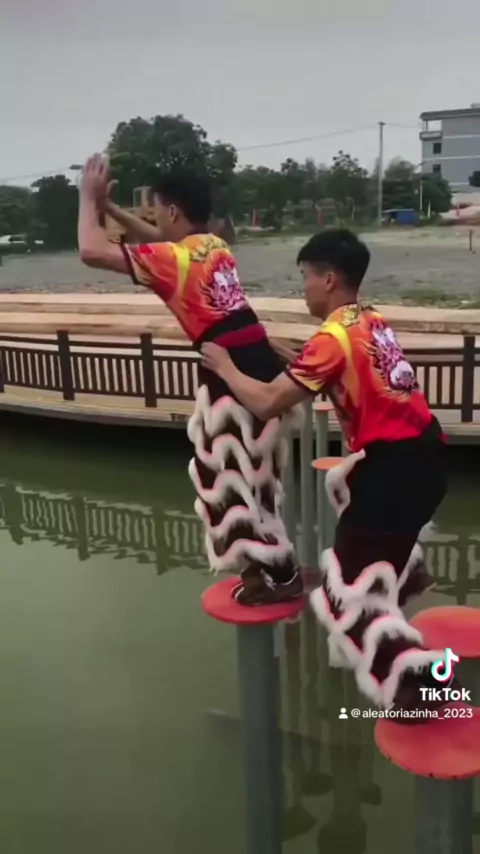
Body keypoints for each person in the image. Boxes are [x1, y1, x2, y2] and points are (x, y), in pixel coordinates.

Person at [201, 228, 451, 714]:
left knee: (345, 598)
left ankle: (431, 687)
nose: (305, 288)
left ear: (330, 279)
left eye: (306, 277)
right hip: (428, 461)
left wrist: (226, 366)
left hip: (392, 474)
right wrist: (287, 358)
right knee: (372, 571)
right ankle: (407, 582)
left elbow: (268, 403)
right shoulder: (369, 321)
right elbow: (327, 372)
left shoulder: (332, 339)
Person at [77, 154, 304, 606]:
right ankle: (265, 570)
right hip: (257, 360)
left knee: (223, 477)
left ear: (173, 211)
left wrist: (87, 199)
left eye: (157, 209)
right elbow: (161, 241)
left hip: (228, 370)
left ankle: (280, 574)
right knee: (253, 475)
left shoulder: (175, 259)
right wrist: (112, 209)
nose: (155, 219)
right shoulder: (214, 246)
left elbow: (91, 251)